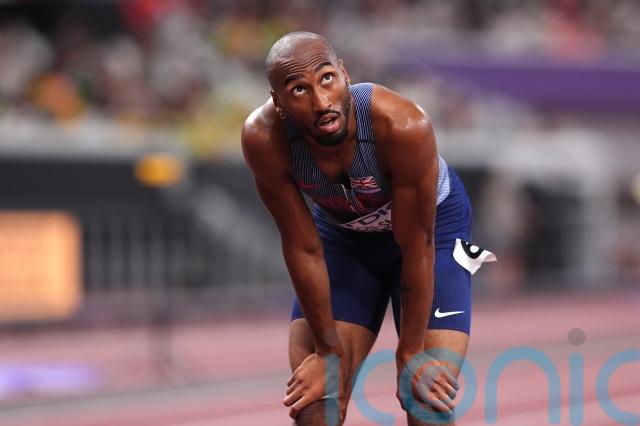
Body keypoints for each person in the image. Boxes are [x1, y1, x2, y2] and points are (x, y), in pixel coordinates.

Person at [241, 31, 495, 426]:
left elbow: (418, 246)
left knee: (425, 400)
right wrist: (327, 352)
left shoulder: (403, 124)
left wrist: (410, 351)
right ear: (279, 102)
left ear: (344, 74)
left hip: (435, 234)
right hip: (345, 238)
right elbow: (303, 247)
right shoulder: (264, 138)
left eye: (327, 79)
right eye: (299, 90)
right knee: (315, 404)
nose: (321, 102)